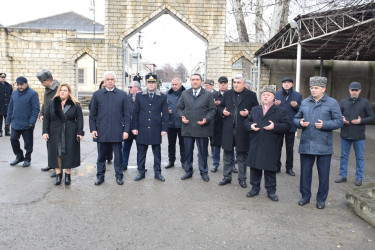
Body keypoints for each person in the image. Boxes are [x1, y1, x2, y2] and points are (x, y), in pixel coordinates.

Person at [294, 76, 343, 209]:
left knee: (323, 175)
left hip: (323, 144)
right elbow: (296, 117)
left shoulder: (332, 103)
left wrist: (325, 124)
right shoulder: (304, 102)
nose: (313, 90)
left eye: (316, 88)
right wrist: (300, 122)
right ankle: (305, 196)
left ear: (323, 89)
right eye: (311, 88)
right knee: (305, 173)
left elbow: (339, 121)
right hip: (306, 143)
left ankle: (321, 199)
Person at [244, 86, 291, 201]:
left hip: (272, 144)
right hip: (256, 142)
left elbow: (287, 126)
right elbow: (247, 121)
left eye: (268, 95)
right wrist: (250, 126)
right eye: (263, 94)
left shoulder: (280, 111)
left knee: (270, 168)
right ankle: (255, 188)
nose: (265, 96)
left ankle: (271, 191)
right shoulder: (255, 109)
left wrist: (274, 126)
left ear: (274, 98)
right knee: (255, 167)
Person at [89, 71, 130, 186]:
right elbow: (92, 115)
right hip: (101, 131)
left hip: (117, 132)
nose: (110, 81)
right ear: (104, 81)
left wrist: (126, 130)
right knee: (101, 157)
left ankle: (119, 177)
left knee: (118, 157)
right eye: (108, 79)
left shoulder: (122, 95)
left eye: (112, 79)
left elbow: (127, 115)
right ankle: (100, 177)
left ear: (115, 81)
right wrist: (93, 129)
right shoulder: (97, 95)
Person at [218, 75, 259, 188]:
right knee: (227, 155)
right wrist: (223, 112)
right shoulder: (227, 93)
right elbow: (220, 107)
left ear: (244, 84)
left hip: (242, 130)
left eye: (238, 82)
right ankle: (227, 177)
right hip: (228, 129)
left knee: (242, 156)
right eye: (234, 82)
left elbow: (256, 110)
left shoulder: (251, 95)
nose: (235, 84)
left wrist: (248, 113)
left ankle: (242, 178)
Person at [177, 73, 216, 182]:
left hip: (202, 128)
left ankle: (204, 172)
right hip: (188, 127)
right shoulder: (185, 94)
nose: (195, 81)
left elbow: (212, 110)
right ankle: (188, 171)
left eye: (197, 79)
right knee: (188, 151)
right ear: (190, 81)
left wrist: (206, 119)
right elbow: (179, 108)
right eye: (193, 79)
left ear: (201, 81)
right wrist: (182, 116)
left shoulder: (207, 94)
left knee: (203, 152)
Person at [42, 83, 84, 185]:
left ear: (69, 92)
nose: (62, 92)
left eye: (65, 90)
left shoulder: (75, 104)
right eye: (61, 90)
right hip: (54, 131)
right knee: (56, 153)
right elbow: (46, 117)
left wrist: (79, 132)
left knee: (68, 153)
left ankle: (68, 175)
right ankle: (58, 175)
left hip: (70, 131)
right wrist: (45, 131)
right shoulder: (52, 103)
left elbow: (79, 119)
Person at [335, 82, 375, 186]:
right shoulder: (343, 102)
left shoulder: (365, 103)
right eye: (352, 90)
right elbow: (338, 115)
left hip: (359, 135)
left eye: (356, 90)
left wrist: (360, 121)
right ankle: (343, 175)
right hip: (345, 133)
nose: (354, 92)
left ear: (360, 91)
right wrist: (342, 119)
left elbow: (372, 117)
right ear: (349, 90)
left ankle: (359, 178)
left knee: (359, 157)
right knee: (344, 156)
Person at [132, 74, 168, 182]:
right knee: (141, 153)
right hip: (142, 129)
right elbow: (135, 113)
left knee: (157, 153)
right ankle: (141, 173)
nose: (151, 84)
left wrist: (164, 128)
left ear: (156, 84)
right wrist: (134, 127)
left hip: (156, 129)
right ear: (146, 83)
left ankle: (158, 173)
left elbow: (165, 114)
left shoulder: (162, 96)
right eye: (149, 82)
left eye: (153, 82)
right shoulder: (139, 96)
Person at [6, 76, 40, 167]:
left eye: (21, 84)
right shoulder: (14, 93)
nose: (19, 86)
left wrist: (32, 121)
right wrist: (8, 120)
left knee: (28, 143)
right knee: (13, 139)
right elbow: (10, 107)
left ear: (26, 84)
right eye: (18, 84)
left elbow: (35, 109)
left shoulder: (33, 94)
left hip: (27, 123)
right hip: (15, 122)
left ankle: (27, 158)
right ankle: (19, 156)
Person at [274, 77, 302, 176]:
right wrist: (275, 105)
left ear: (292, 84)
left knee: (290, 148)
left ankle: (289, 168)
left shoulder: (297, 95)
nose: (286, 84)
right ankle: (277, 166)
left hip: (291, 125)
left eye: (288, 83)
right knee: (277, 146)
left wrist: (296, 106)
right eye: (284, 82)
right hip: (280, 124)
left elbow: (301, 110)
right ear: (282, 84)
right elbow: (272, 109)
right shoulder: (277, 94)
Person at [37, 69, 60, 177]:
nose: (41, 84)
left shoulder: (59, 89)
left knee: (57, 146)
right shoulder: (47, 89)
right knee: (49, 144)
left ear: (47, 80)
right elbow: (44, 104)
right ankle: (51, 164)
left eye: (42, 82)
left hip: (56, 123)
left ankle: (58, 168)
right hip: (48, 122)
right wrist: (41, 114)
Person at [165, 77, 186, 169]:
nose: (174, 86)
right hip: (171, 123)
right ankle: (171, 161)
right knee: (171, 144)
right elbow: (163, 107)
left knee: (183, 144)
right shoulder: (167, 94)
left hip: (183, 123)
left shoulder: (186, 93)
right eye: (172, 84)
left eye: (176, 84)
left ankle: (184, 162)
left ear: (180, 84)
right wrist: (166, 110)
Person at [91, 80, 113, 165]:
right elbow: (92, 109)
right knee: (100, 144)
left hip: (110, 124)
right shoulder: (96, 95)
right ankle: (101, 158)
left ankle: (109, 157)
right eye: (103, 86)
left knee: (110, 144)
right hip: (99, 124)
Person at [211, 76, 230, 173]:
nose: (223, 85)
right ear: (218, 84)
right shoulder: (214, 95)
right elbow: (209, 108)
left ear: (227, 84)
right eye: (221, 83)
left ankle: (231, 165)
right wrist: (215, 105)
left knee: (229, 145)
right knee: (216, 145)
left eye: (224, 83)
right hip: (217, 123)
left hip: (228, 123)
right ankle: (215, 164)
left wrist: (222, 105)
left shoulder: (231, 94)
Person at [122, 81, 142, 171]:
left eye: (130, 87)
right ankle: (123, 165)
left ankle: (140, 166)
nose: (129, 89)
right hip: (128, 128)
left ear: (136, 88)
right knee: (125, 148)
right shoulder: (127, 98)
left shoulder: (143, 97)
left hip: (139, 128)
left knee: (140, 149)